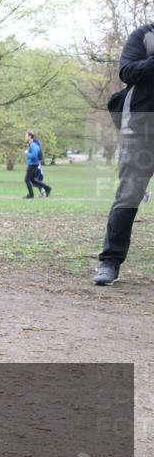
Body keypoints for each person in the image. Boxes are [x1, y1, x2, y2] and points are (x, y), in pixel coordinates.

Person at [94, 22, 154, 285]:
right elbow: (127, 72)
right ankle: (110, 262)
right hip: (140, 128)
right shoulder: (144, 35)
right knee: (128, 196)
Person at [23, 131, 52, 199]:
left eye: (26, 136)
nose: (25, 137)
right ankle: (47, 188)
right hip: (34, 164)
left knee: (27, 180)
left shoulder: (33, 145)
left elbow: (34, 156)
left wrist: (27, 153)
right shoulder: (32, 144)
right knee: (32, 180)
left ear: (30, 136)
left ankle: (31, 195)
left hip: (33, 164)